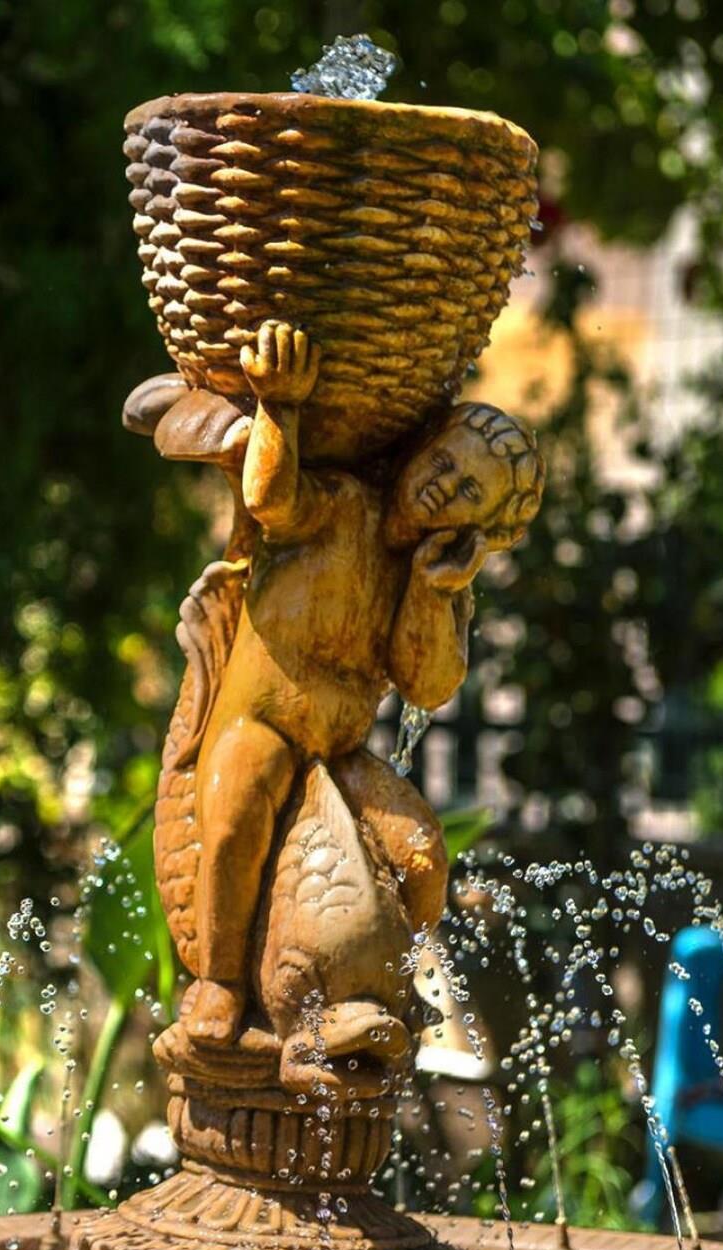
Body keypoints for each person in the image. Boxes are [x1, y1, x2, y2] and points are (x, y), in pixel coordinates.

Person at [131, 321, 544, 1045]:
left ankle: (383, 980)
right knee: (236, 807)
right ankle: (221, 981)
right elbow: (273, 501)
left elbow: (427, 684)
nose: (443, 484)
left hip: (339, 755)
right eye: (446, 460)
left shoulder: (430, 583)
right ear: (425, 445)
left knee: (422, 857)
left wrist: (433, 587)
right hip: (259, 724)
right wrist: (280, 408)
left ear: (481, 529)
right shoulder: (347, 505)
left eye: (467, 490)